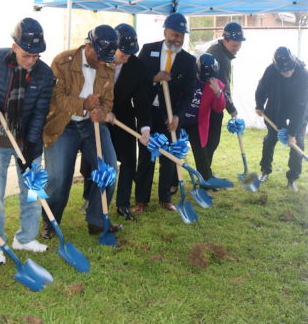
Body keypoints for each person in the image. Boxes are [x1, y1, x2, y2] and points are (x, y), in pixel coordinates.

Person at [0, 18, 54, 265]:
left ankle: (25, 237)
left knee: (31, 191)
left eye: (36, 56)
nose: (31, 61)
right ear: (15, 46)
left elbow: (40, 112)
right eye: (27, 55)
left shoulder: (44, 73)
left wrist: (30, 147)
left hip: (27, 139)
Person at [42, 25, 121, 236]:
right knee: (58, 179)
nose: (104, 61)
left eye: (108, 57)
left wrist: (102, 112)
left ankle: (97, 219)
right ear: (89, 46)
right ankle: (51, 224)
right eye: (101, 56)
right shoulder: (62, 62)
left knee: (109, 170)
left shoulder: (108, 67)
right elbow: (55, 97)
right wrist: (83, 105)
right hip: (62, 124)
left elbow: (108, 101)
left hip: (91, 124)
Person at [79, 23, 151, 222]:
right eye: (123, 52)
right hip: (96, 117)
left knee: (128, 161)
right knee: (94, 161)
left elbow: (142, 100)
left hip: (123, 119)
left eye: (130, 53)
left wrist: (144, 129)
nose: (126, 57)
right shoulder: (98, 61)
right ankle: (89, 198)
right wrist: (97, 110)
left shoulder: (137, 67)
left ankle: (123, 204)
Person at [134, 12, 196, 213]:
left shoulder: (188, 60)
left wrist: (178, 115)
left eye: (181, 35)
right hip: (148, 112)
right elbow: (138, 78)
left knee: (169, 156)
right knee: (145, 156)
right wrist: (153, 78)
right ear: (165, 31)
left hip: (170, 115)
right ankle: (141, 200)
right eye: (174, 34)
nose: (178, 39)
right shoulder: (148, 50)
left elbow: (189, 93)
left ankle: (165, 198)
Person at [255, 47, 308, 191]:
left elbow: (300, 106)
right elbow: (261, 88)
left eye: (290, 69)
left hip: (298, 109)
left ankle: (292, 178)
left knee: (297, 142)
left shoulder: (304, 74)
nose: (287, 72)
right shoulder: (271, 71)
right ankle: (265, 170)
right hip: (275, 108)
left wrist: (292, 133)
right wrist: (259, 105)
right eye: (283, 70)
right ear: (276, 66)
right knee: (270, 139)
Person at [205, 22, 245, 182]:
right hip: (211, 107)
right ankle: (205, 176)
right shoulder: (220, 57)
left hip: (214, 104)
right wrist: (232, 109)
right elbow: (223, 86)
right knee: (211, 142)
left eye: (239, 45)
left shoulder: (220, 52)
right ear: (225, 40)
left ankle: (206, 173)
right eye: (235, 45)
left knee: (211, 142)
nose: (237, 48)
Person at [180, 54, 227, 183]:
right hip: (179, 121)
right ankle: (173, 182)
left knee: (201, 154)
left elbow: (219, 108)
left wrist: (218, 93)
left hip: (197, 123)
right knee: (175, 151)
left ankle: (205, 181)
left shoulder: (215, 84)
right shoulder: (187, 78)